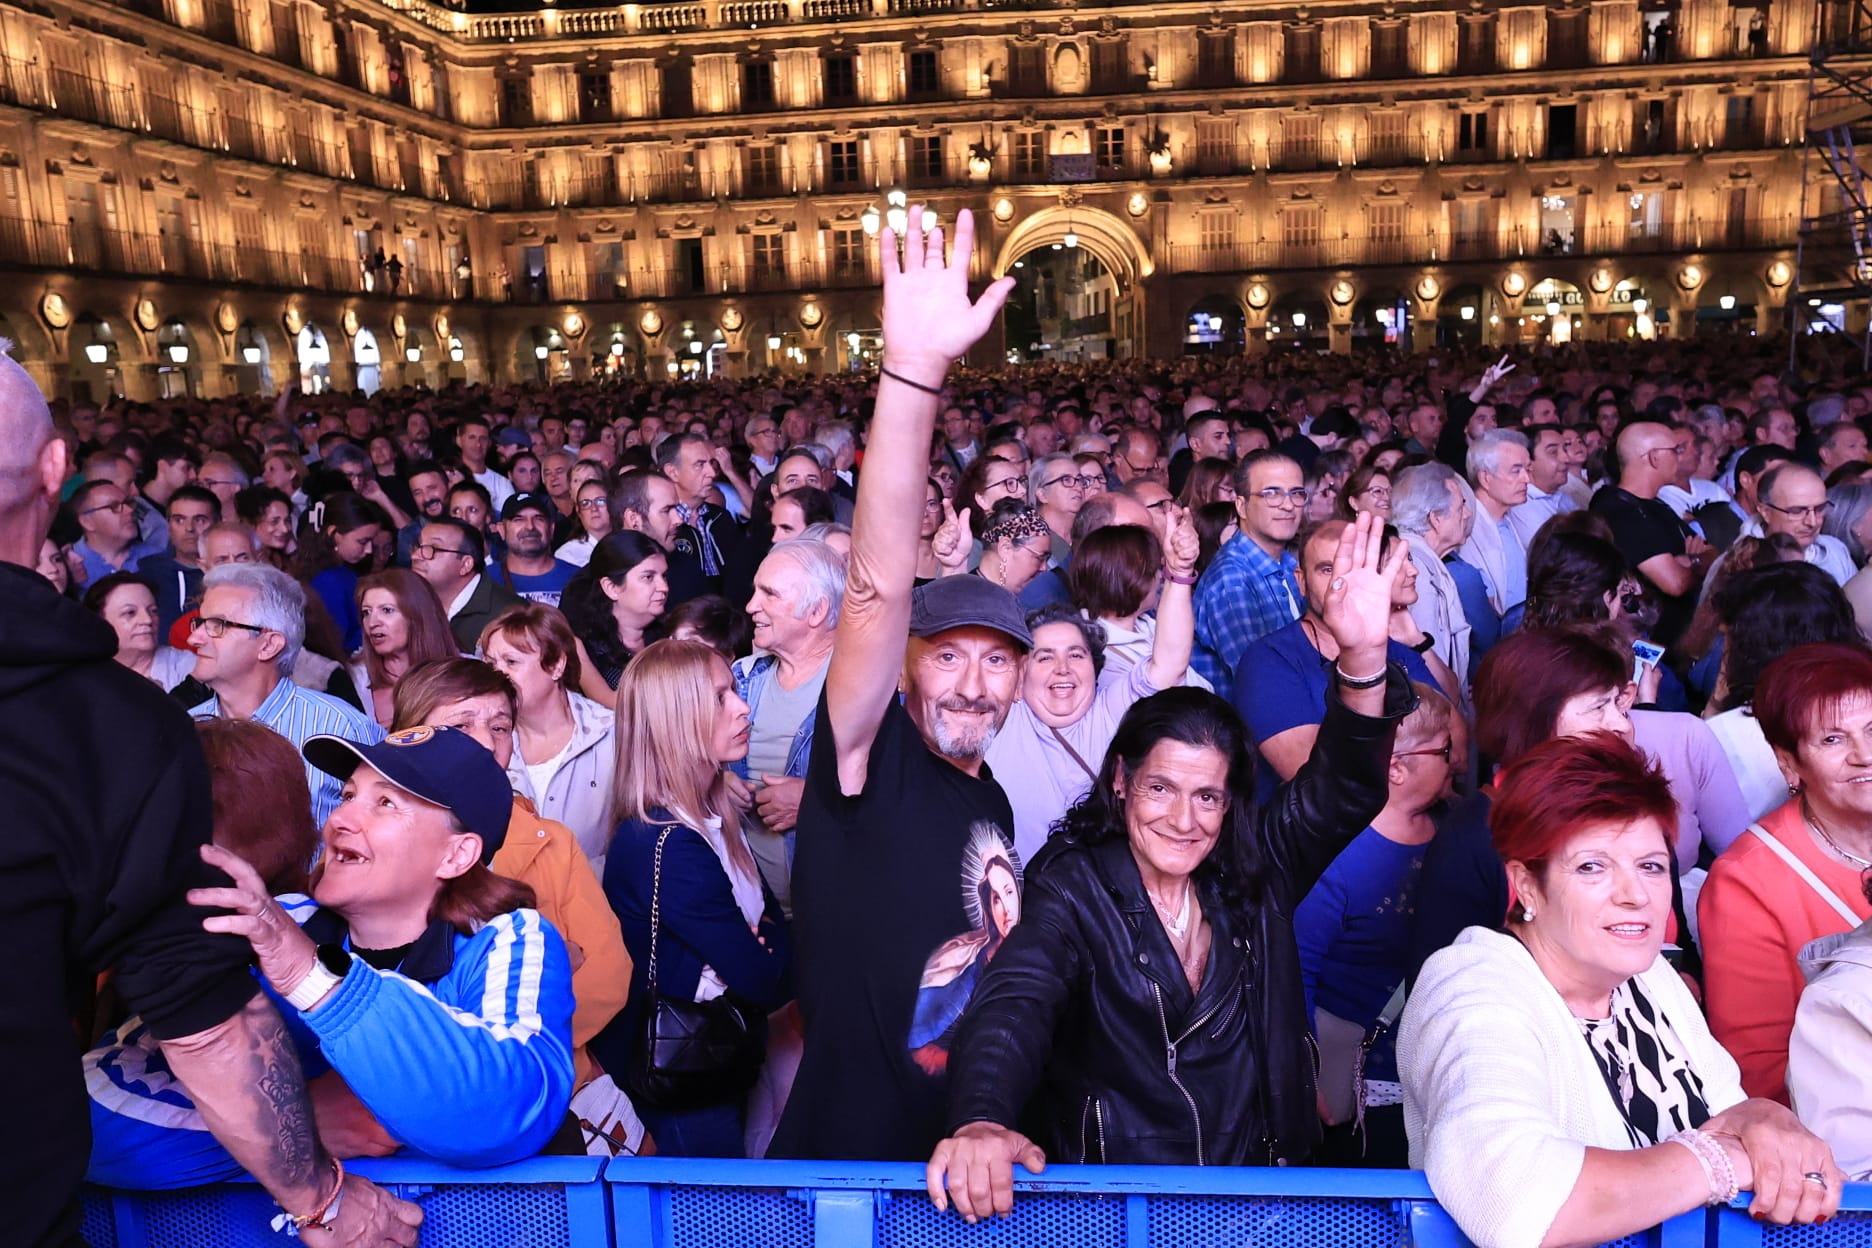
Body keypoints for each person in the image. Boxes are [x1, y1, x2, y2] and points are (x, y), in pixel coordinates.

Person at [0, 355, 421, 1246]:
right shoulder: (109, 728)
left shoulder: (139, 720)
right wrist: (323, 1197)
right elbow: (203, 1021)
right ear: (54, 472)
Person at [925, 514, 1413, 1211]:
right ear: (1121, 780)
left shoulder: (1256, 867)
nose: (1184, 821)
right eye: (1161, 788)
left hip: (1262, 1192)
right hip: (1123, 1200)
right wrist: (980, 1117)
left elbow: (1343, 786)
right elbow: (1016, 1003)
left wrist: (1364, 659)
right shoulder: (1072, 880)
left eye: (1207, 796)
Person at [770, 206, 1030, 1163]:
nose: (972, 684)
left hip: (960, 1156)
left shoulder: (989, 792)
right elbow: (878, 591)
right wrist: (914, 376)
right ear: (905, 671)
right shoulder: (865, 761)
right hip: (853, 1170)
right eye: (947, 655)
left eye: (997, 660)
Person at [1400, 733, 1841, 1248]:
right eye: (1592, 866)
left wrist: (1763, 1116)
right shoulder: (1472, 984)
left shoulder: (1649, 980)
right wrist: (1722, 1161)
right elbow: (1520, 1204)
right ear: (1526, 886)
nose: (1634, 895)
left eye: (1651, 866)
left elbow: (1731, 1116)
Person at [86, 724, 578, 1181]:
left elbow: (507, 1108)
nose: (339, 818)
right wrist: (294, 1128)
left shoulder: (507, 941)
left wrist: (311, 976)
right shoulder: (273, 924)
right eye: (346, 796)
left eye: (385, 803)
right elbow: (89, 1112)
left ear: (457, 855)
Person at [389, 660, 632, 1109]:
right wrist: (554, 964)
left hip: (548, 1088)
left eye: (501, 727)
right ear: (409, 735)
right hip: (408, 1097)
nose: (485, 741)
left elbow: (608, 973)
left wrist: (510, 1055)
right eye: (461, 724)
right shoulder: (365, 838)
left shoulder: (552, 842)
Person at [593, 639, 791, 1157]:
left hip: (724, 1061)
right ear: (676, 720)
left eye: (735, 691)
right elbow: (766, 979)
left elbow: (774, 931)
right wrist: (755, 953)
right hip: (682, 1082)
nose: (742, 707)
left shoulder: (714, 814)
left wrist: (756, 947)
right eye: (720, 697)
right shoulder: (666, 840)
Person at [1700, 642, 1872, 1103]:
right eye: (1833, 739)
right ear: (1789, 763)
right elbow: (1762, 1074)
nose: (1864, 755)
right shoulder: (1747, 884)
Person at [986, 507, 1199, 861]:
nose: (1063, 669)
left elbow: (1170, 664)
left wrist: (1178, 574)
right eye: (1045, 657)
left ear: (1095, 668)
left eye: (1076, 655)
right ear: (1019, 676)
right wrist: (955, 565)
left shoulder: (1107, 711)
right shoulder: (1002, 715)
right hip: (1012, 901)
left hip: (1094, 899)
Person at [1299, 685, 1454, 1166]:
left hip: (1436, 1069)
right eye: (1445, 750)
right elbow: (1294, 970)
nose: (1457, 760)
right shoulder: (1337, 856)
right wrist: (1305, 1081)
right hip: (1359, 1087)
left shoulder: (1455, 830)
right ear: (1396, 767)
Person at [1233, 520, 1443, 800]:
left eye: (1353, 569)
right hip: (1325, 842)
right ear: (1301, 581)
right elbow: (1320, 786)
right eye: (1328, 569)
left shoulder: (1398, 651)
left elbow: (1455, 748)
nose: (1340, 583)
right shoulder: (1268, 662)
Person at [187, 563, 386, 828]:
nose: (194, 638)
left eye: (216, 625)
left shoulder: (340, 726)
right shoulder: (186, 730)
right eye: (199, 623)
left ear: (269, 645)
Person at [733, 539, 845, 914]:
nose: (751, 606)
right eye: (754, 591)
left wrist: (816, 803)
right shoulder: (739, 681)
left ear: (816, 611)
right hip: (756, 918)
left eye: (769, 594)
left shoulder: (865, 692)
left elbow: (899, 804)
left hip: (832, 918)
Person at [480, 605, 618, 866]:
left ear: (556, 666)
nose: (496, 674)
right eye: (490, 663)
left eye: (511, 662)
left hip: (596, 898)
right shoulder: (483, 741)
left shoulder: (612, 735)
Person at [1190, 450, 1305, 694]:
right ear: (1242, 506)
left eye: (1296, 493)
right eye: (1271, 494)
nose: (1288, 505)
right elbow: (1260, 680)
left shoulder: (1287, 563)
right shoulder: (1232, 579)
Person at [1592, 422, 1707, 646]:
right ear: (1654, 457)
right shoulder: (1619, 511)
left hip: (1679, 638)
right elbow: (1675, 583)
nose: (1680, 458)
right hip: (1648, 646)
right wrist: (1696, 560)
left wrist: (1690, 561)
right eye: (1676, 451)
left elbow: (1710, 550)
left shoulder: (1656, 505)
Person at [1068, 523, 1212, 691]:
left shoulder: (1146, 625)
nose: (1159, 577)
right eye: (1155, 569)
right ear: (1129, 578)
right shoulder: (1098, 655)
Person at [1392, 463, 1475, 694]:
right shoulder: (1415, 567)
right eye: (1461, 507)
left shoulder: (1423, 559)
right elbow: (1429, 664)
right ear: (1436, 518)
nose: (1467, 514)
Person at [560, 530, 670, 695]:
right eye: (648, 577)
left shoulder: (672, 634)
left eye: (664, 576)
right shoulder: (589, 650)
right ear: (611, 588)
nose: (664, 587)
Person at [348, 568, 459, 728]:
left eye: (387, 610)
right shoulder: (352, 680)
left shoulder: (466, 672)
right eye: (366, 612)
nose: (372, 623)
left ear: (418, 616)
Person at [409, 515, 524, 652]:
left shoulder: (508, 614)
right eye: (418, 547)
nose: (415, 556)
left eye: (433, 548)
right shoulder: (410, 604)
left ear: (465, 564)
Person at [299, 492, 387, 655]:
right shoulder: (329, 582)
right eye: (362, 542)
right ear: (334, 534)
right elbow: (338, 642)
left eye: (371, 542)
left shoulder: (340, 573)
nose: (369, 550)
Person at [83, 572, 198, 692]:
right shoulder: (85, 675)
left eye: (153, 611)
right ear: (100, 622)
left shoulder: (186, 666)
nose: (147, 620)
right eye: (130, 613)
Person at [1461, 430, 1531, 616]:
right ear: (1485, 478)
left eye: (1527, 469)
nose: (1527, 479)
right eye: (1516, 470)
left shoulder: (1509, 519)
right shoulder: (1467, 529)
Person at [136, 483, 218, 633]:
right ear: (168, 526)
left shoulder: (232, 573)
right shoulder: (148, 574)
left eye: (199, 520)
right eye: (179, 520)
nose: (189, 528)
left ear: (217, 524)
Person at [494, 493, 577, 607]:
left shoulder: (577, 579)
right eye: (519, 519)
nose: (530, 526)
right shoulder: (484, 581)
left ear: (551, 529)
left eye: (539, 519)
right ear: (502, 530)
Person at [971, 500, 1052, 594]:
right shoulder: (968, 602)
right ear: (1006, 548)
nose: (1044, 568)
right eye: (1040, 558)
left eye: (1047, 559)